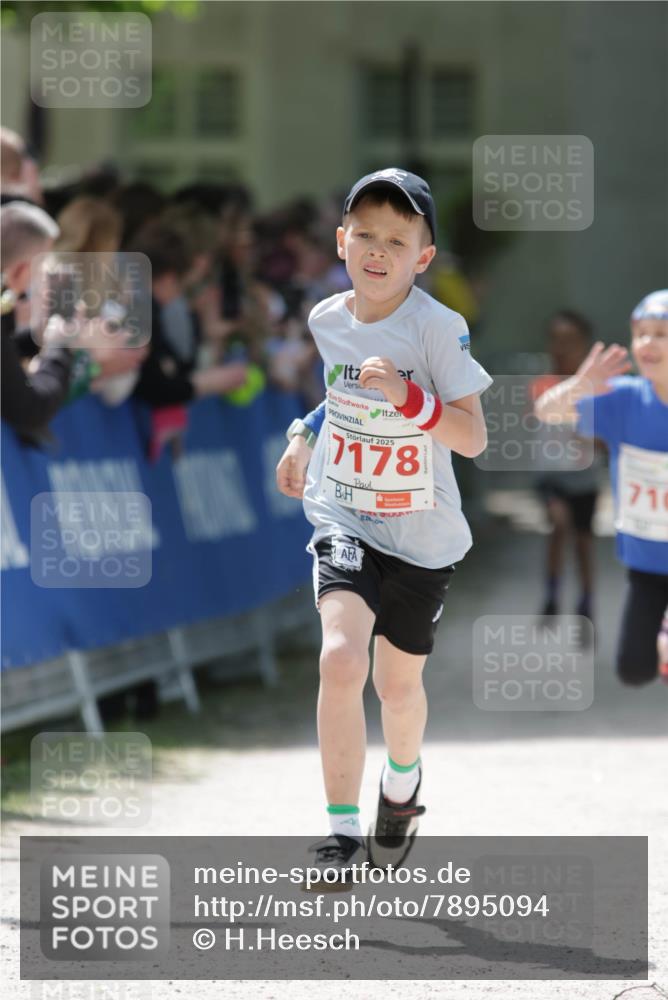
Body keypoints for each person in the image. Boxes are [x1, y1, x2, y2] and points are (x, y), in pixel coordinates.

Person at [275, 168, 492, 882]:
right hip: (345, 511)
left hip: (422, 534)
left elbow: (471, 438)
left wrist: (409, 400)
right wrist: (303, 435)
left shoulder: (438, 328)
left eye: (396, 239)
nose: (377, 249)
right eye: (364, 233)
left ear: (422, 258)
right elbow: (338, 394)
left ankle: (401, 790)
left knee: (398, 689)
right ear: (341, 241)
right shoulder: (327, 318)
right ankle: (340, 836)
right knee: (341, 658)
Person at [534, 289, 668, 686]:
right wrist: (579, 385)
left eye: (662, 333)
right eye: (641, 333)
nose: (648, 343)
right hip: (646, 561)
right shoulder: (622, 398)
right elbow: (548, 412)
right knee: (633, 670)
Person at [528, 310, 603, 621]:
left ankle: (586, 601)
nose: (562, 348)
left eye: (570, 341)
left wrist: (587, 436)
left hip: (585, 477)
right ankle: (552, 593)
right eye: (556, 340)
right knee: (558, 524)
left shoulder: (598, 389)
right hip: (550, 475)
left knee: (583, 541)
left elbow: (606, 440)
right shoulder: (542, 383)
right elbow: (532, 422)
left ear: (584, 345)